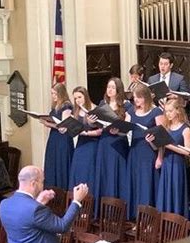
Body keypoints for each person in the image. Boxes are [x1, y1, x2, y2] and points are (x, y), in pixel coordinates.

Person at [0, 166, 88, 243]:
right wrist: (77, 201)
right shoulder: (35, 210)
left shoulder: (5, 204)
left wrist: (38, 203)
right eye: (42, 182)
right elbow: (62, 226)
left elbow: (25, 221)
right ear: (33, 183)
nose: (43, 186)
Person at [93, 78, 132, 214]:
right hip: (104, 142)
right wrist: (91, 120)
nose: (109, 90)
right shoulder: (102, 104)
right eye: (108, 87)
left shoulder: (126, 106)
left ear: (118, 90)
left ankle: (118, 210)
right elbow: (97, 122)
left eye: (113, 88)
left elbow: (128, 126)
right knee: (104, 172)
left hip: (118, 142)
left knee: (117, 172)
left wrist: (119, 130)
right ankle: (103, 210)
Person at [126, 84, 164, 219]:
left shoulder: (156, 112)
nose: (136, 100)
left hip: (148, 152)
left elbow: (162, 137)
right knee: (135, 182)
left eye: (139, 98)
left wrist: (160, 157)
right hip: (134, 151)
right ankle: (135, 216)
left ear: (146, 97)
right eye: (135, 97)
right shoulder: (131, 111)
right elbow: (125, 128)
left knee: (146, 184)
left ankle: (147, 218)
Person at [154, 99, 190, 217]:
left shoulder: (185, 129)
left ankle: (175, 222)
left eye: (170, 111)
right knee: (165, 192)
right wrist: (159, 156)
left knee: (175, 192)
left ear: (178, 111)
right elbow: (162, 147)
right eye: (166, 112)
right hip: (167, 162)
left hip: (177, 164)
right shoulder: (166, 127)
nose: (168, 114)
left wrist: (170, 145)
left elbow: (188, 152)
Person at [68, 86, 102, 196]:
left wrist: (87, 132)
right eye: (75, 98)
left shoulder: (95, 109)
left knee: (89, 172)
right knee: (78, 170)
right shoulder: (76, 111)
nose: (78, 100)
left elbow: (101, 130)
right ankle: (78, 202)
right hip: (81, 144)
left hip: (92, 144)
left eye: (80, 97)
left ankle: (90, 203)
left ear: (85, 96)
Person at [41, 83, 74, 189]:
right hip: (54, 139)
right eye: (52, 93)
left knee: (61, 165)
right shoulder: (55, 106)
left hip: (62, 140)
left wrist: (48, 124)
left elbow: (63, 128)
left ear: (61, 93)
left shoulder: (66, 105)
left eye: (55, 93)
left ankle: (61, 192)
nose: (53, 96)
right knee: (52, 164)